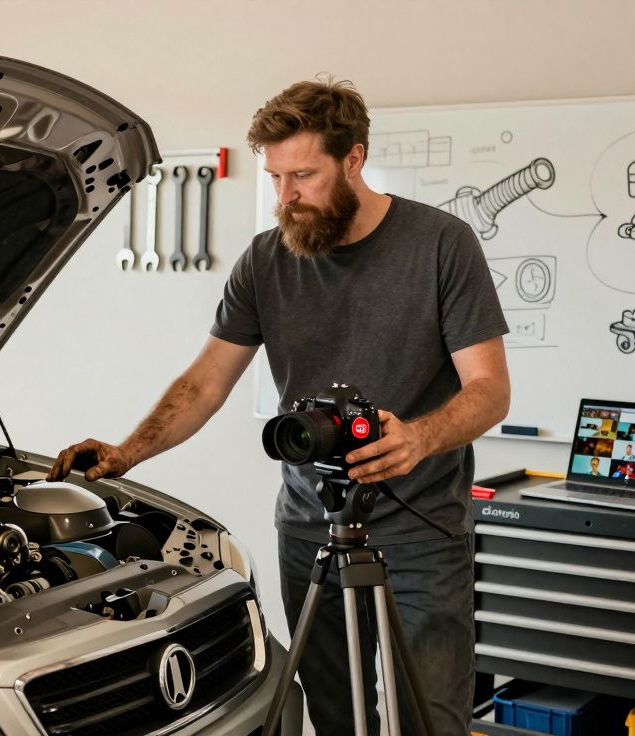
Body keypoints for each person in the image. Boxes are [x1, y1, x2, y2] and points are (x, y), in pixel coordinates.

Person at [46, 77, 510, 735]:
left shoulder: (441, 244)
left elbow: (489, 389)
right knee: (334, 714)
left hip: (423, 532)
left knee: (428, 722)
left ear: (353, 159)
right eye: (275, 177)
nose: (284, 196)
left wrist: (418, 438)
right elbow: (204, 384)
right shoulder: (266, 260)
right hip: (311, 527)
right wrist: (127, 452)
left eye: (303, 175)